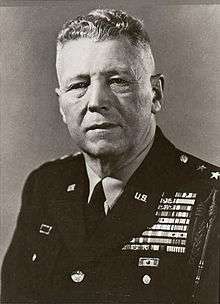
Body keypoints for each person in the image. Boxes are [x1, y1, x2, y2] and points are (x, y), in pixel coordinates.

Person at [1, 8, 219, 304]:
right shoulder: (45, 187)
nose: (96, 102)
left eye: (117, 81)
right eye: (78, 85)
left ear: (155, 94)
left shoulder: (211, 197)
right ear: (62, 106)